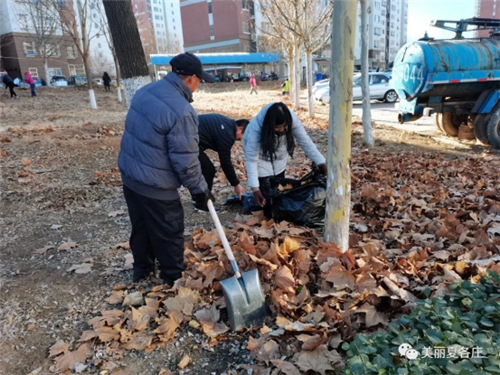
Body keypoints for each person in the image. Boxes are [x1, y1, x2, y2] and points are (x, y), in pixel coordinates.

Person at [118, 52, 216, 284]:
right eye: (200, 80)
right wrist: (200, 190)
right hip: (155, 183)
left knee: (141, 225)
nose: (199, 85)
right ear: (191, 78)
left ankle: (142, 271)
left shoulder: (145, 91)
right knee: (169, 230)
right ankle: (173, 280)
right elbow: (186, 161)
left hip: (131, 175)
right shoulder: (182, 111)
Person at [243, 102, 327, 218]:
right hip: (260, 158)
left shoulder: (292, 120)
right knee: (265, 192)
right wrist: (255, 189)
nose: (281, 129)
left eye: (284, 126)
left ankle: (278, 212)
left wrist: (320, 161)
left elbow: (305, 142)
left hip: (279, 155)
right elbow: (251, 159)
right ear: (269, 125)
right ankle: (266, 213)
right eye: (277, 127)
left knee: (279, 185)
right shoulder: (255, 129)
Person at [198, 114, 249, 201]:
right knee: (208, 169)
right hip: (187, 140)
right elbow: (225, 161)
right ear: (240, 129)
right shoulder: (227, 134)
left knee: (205, 168)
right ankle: (202, 201)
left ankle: (201, 198)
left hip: (191, 138)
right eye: (244, 136)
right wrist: (236, 184)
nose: (241, 140)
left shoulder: (227, 124)